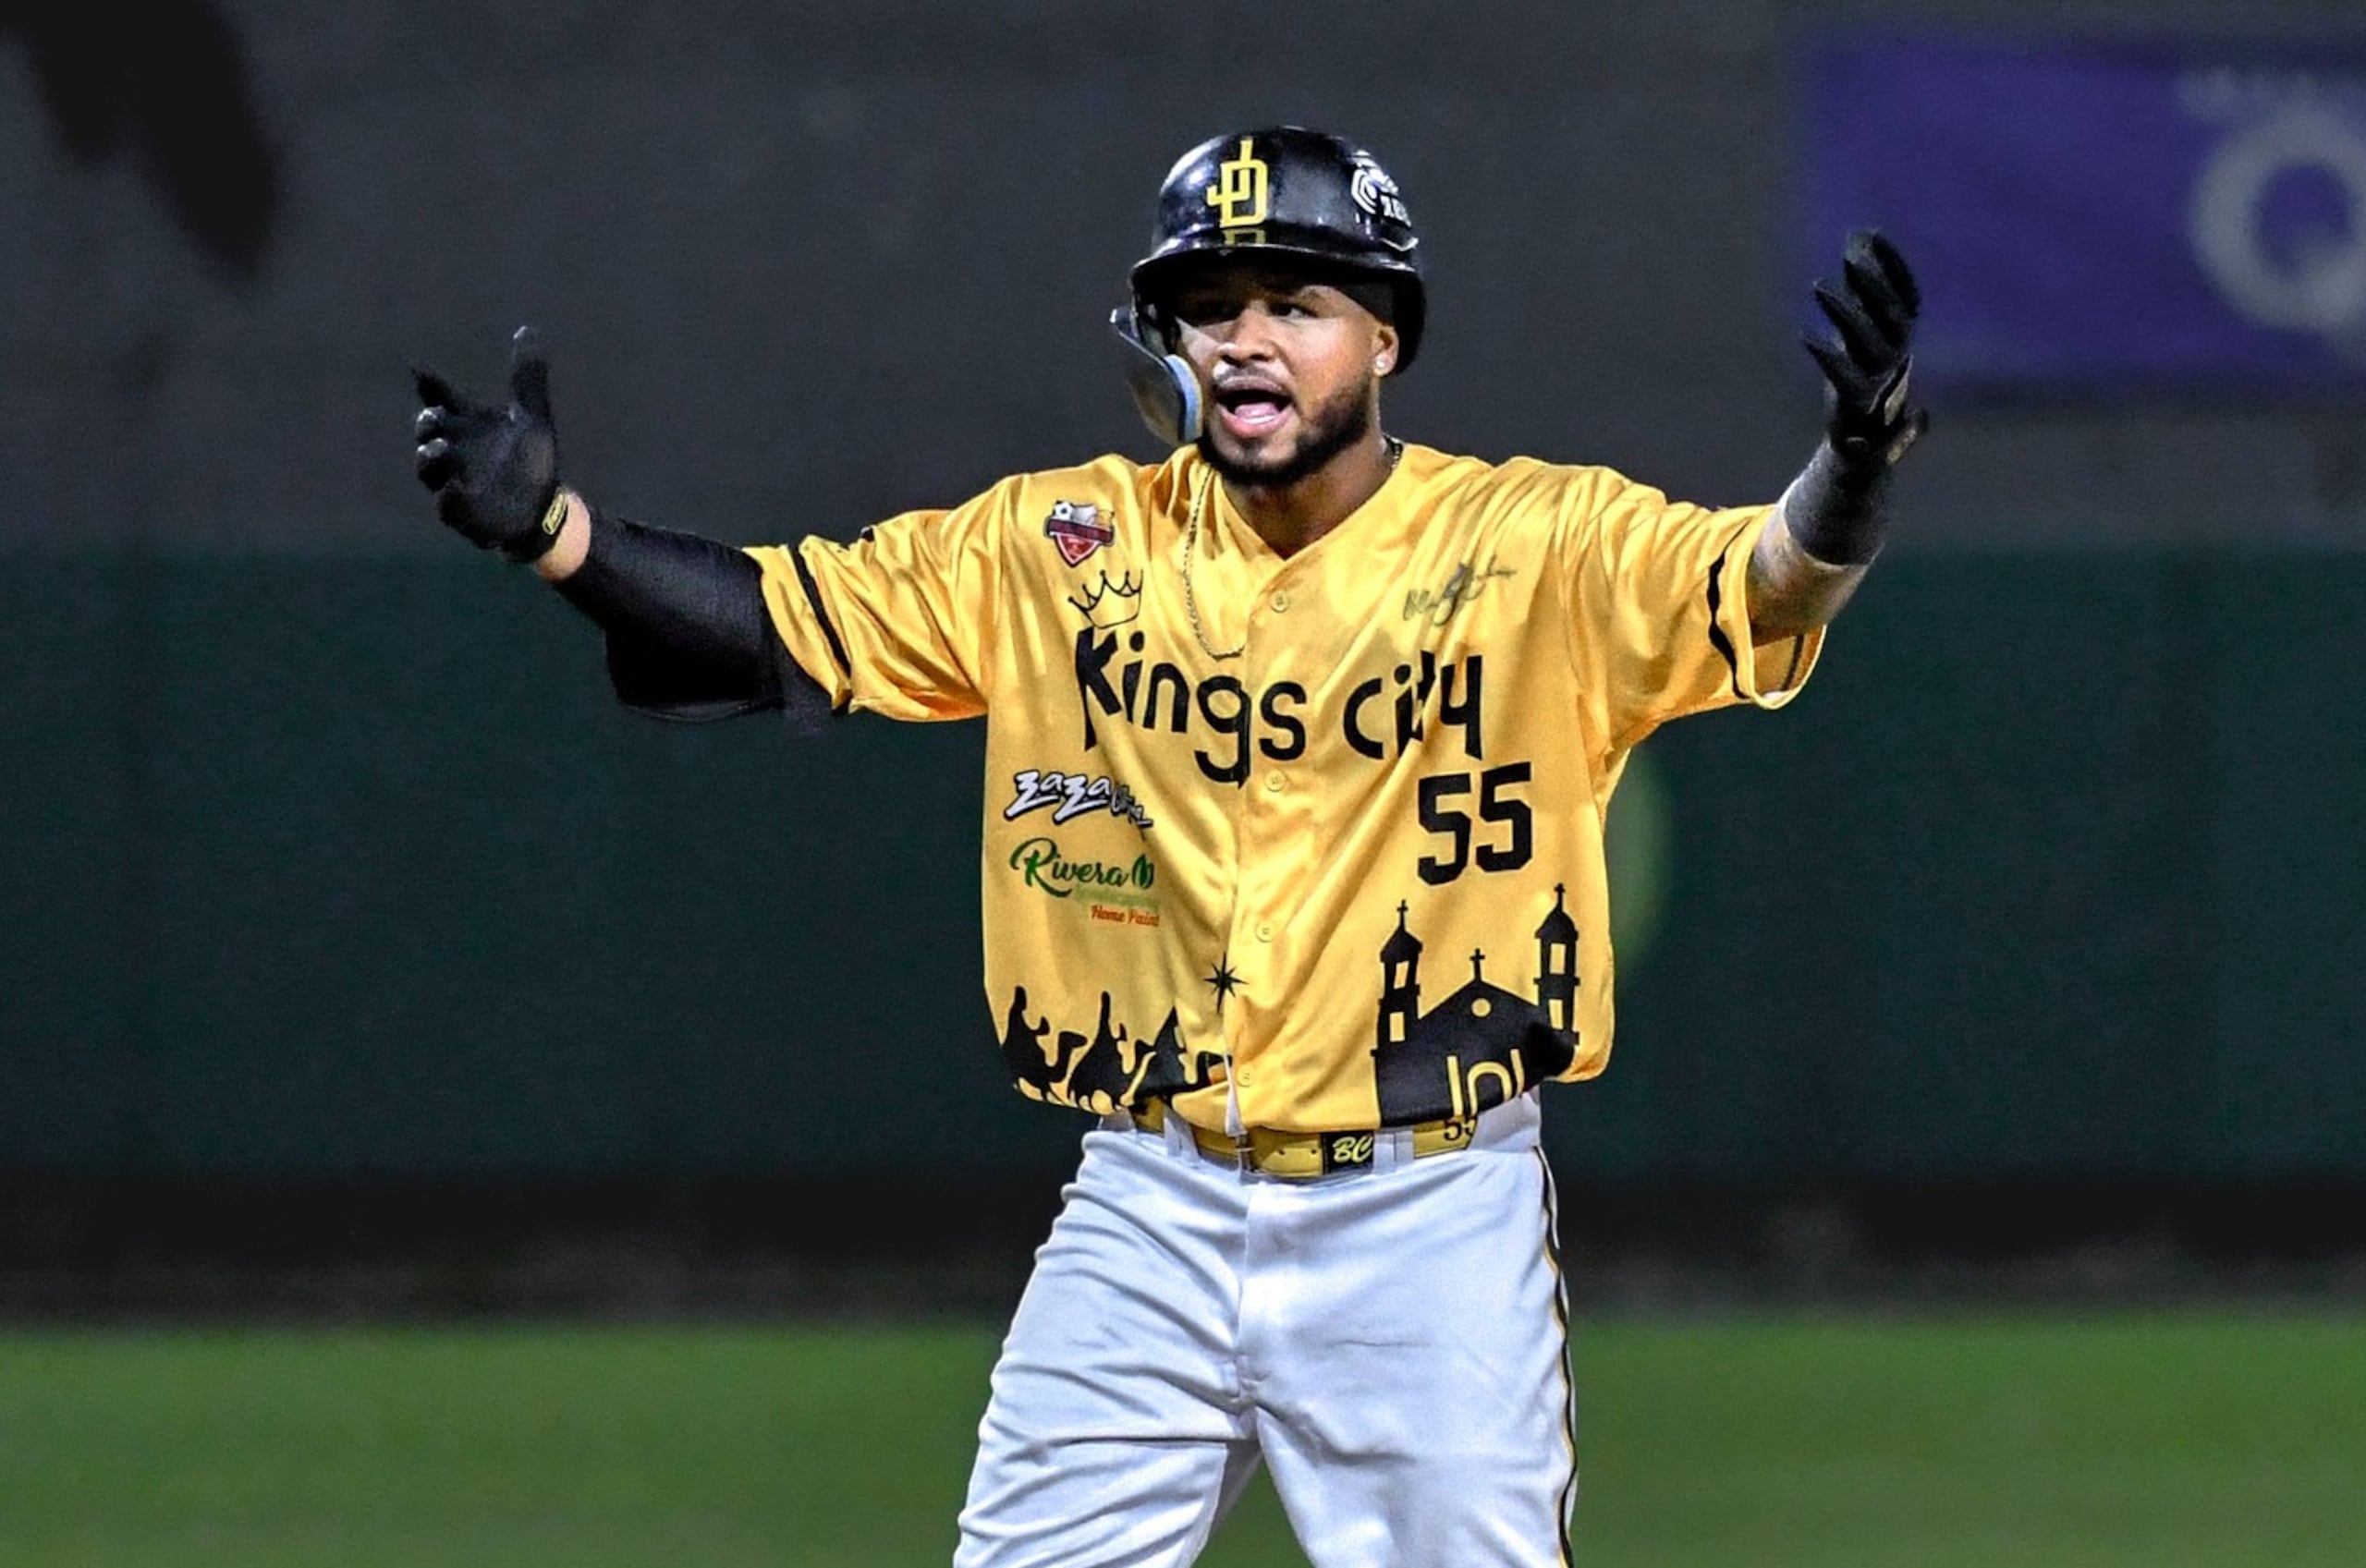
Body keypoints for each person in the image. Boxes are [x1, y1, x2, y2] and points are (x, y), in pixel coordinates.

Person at [412, 126, 1922, 1567]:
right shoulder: (1059, 547)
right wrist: (559, 531)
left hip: (1426, 1215)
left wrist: (1850, 471)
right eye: (1208, 306)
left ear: (1386, 336)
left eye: (1298, 302)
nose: (1247, 338)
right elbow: (776, 625)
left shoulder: (1532, 544)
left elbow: (1762, 584)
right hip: (1150, 1196)